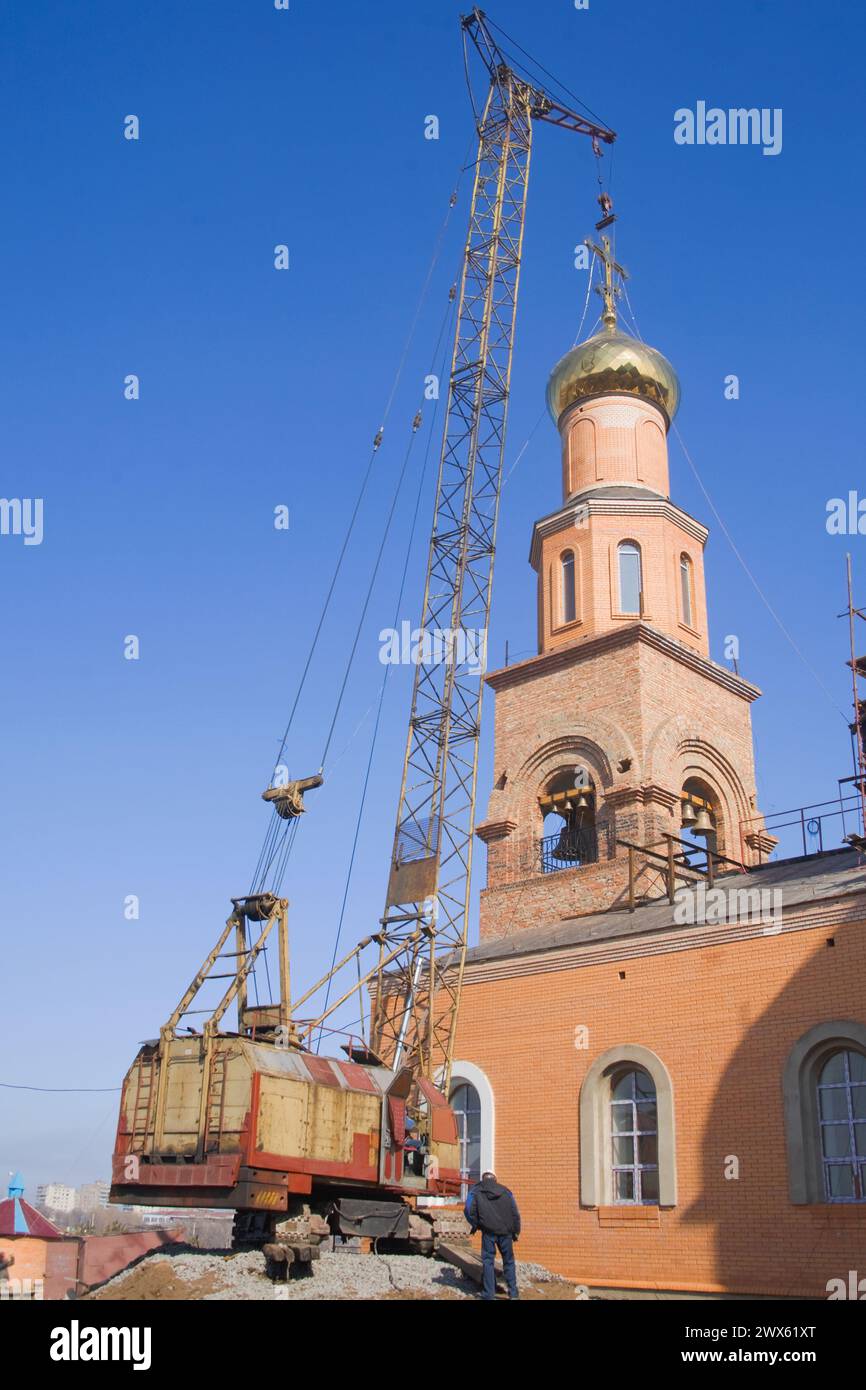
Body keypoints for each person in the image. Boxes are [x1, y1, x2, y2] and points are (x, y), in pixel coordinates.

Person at [464, 1170, 521, 1300]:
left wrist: (476, 1224)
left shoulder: (476, 1190)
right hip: (506, 1232)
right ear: (495, 1178)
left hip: (488, 1232)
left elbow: (468, 1210)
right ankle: (513, 1293)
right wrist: (516, 1231)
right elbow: (515, 1213)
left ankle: (489, 1295)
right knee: (509, 1261)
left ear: (483, 1178)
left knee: (488, 1262)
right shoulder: (506, 1191)